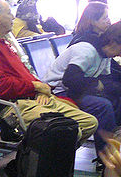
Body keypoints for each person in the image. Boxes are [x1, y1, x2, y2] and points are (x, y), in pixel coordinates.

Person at [0, 0, 98, 142]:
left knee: (90, 123)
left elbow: (25, 75)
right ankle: (44, 161)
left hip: (32, 99)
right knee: (69, 132)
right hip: (15, 106)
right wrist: (36, 86)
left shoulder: (2, 42)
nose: (13, 17)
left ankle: (50, 159)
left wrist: (40, 90)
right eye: (9, 13)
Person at [43, 20, 121, 155]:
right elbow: (70, 79)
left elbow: (107, 79)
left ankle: (112, 145)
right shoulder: (86, 50)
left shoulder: (105, 53)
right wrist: (96, 84)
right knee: (103, 106)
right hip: (57, 91)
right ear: (113, 42)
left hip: (76, 90)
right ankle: (106, 156)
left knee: (115, 98)